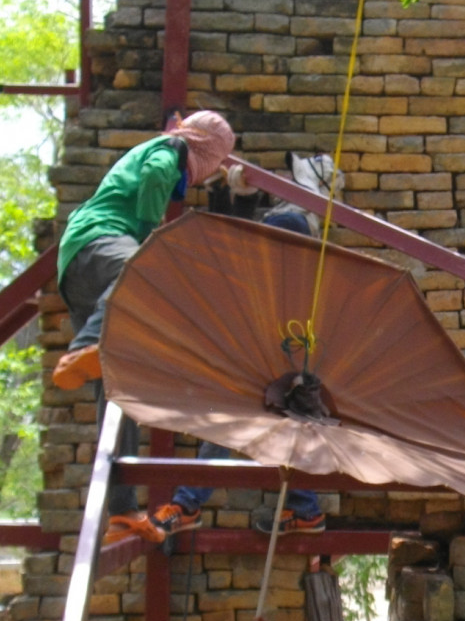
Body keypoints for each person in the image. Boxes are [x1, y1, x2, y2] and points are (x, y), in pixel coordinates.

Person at [111, 204, 327, 542]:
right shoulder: (264, 286)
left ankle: (300, 509)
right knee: (230, 415)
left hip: (295, 393)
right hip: (261, 384)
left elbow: (306, 352)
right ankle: (298, 509)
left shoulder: (309, 294)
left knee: (278, 416)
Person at [51, 109, 235, 391]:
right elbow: (157, 171)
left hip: (74, 263)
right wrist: (149, 234)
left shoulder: (150, 151)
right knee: (141, 275)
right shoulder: (173, 148)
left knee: (112, 376)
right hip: (101, 236)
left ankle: (89, 359)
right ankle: (86, 342)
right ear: (207, 150)